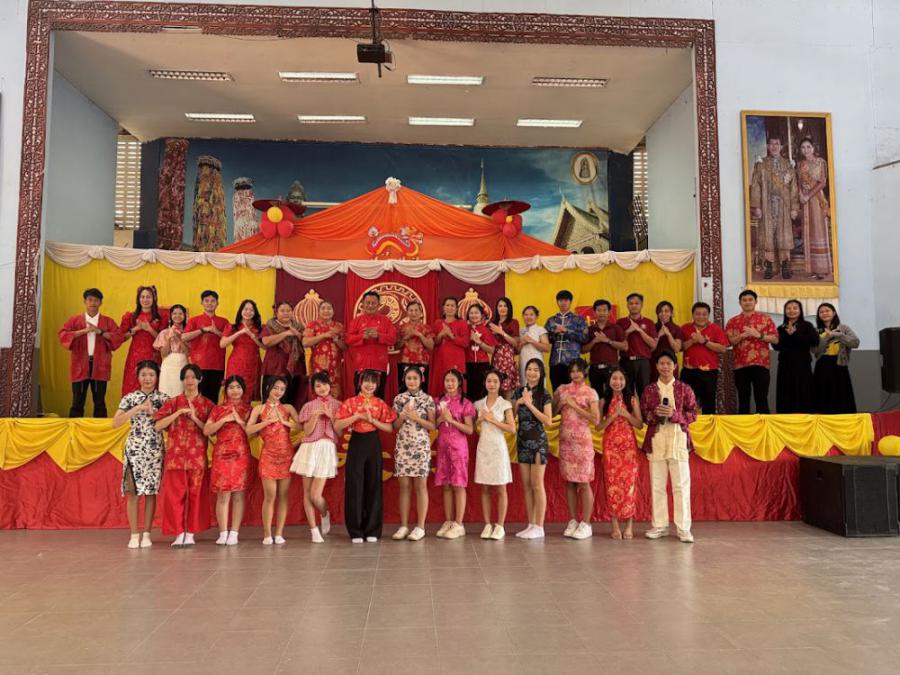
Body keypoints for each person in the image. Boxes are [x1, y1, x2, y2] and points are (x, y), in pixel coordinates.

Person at [641, 351, 698, 543]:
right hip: (657, 440)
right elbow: (644, 415)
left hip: (678, 440)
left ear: (675, 366)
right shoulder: (649, 390)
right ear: (656, 366)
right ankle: (660, 525)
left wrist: (674, 415)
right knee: (657, 485)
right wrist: (655, 415)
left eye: (668, 363)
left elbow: (693, 414)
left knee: (681, 486)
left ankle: (684, 528)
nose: (665, 366)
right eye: (661, 363)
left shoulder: (684, 389)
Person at [154, 364, 214, 547]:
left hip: (197, 458)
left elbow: (210, 432)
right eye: (186, 377)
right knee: (175, 496)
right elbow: (158, 425)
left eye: (193, 377)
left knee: (196, 496)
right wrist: (178, 413)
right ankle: (179, 532)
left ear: (200, 379)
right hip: (175, 458)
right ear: (182, 380)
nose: (190, 381)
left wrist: (195, 417)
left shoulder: (208, 404)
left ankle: (190, 532)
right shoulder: (173, 402)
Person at [334, 370, 397, 543]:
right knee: (355, 485)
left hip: (373, 442)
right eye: (366, 381)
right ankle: (355, 530)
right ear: (359, 383)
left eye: (373, 382)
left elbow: (390, 427)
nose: (370, 385)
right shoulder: (350, 402)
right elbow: (337, 424)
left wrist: (372, 421)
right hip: (357, 442)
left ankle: (372, 530)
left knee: (374, 484)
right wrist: (357, 416)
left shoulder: (380, 403)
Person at [112, 360, 169, 548]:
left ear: (157, 377)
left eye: (151, 375)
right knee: (133, 492)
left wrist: (154, 413)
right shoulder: (130, 398)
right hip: (134, 449)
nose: (147, 379)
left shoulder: (163, 399)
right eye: (143, 375)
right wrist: (137, 408)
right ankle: (134, 534)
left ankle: (147, 534)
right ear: (138, 377)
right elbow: (115, 422)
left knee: (151, 492)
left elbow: (169, 425)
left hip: (154, 450)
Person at [246, 376, 299, 545]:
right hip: (268, 455)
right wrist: (266, 422)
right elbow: (248, 430)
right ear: (268, 388)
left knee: (283, 496)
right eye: (275, 388)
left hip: (286, 455)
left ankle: (279, 533)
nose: (278, 392)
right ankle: (267, 534)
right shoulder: (259, 408)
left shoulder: (288, 408)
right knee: (270, 495)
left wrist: (286, 422)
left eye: (282, 389)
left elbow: (301, 426)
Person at [291, 372, 343, 543]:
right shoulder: (309, 406)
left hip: (326, 448)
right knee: (307, 493)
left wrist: (331, 416)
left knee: (315, 495)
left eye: (324, 384)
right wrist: (315, 416)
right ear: (313, 389)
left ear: (330, 385)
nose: (322, 388)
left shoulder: (338, 405)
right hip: (309, 448)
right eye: (318, 385)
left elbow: (339, 433)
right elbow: (306, 432)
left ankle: (324, 513)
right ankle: (314, 530)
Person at [554, 358, 600, 540]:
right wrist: (560, 404)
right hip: (566, 442)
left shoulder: (591, 392)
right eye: (572, 371)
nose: (575, 374)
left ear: (585, 372)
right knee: (570, 482)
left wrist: (574, 406)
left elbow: (595, 419)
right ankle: (573, 520)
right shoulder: (561, 389)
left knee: (584, 482)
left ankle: (586, 523)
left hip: (582, 443)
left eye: (578, 370)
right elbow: (554, 412)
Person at [58, 287, 122, 417]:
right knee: (77, 401)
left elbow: (118, 337)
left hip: (100, 365)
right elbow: (62, 334)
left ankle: (100, 428)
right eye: (90, 300)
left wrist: (100, 332)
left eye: (96, 300)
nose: (93, 303)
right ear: (85, 301)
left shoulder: (108, 321)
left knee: (99, 402)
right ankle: (74, 428)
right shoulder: (75, 320)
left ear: (101, 302)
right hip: (80, 364)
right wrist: (84, 331)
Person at [204, 375, 252, 547]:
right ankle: (223, 532)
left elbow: (253, 433)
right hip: (222, 454)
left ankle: (234, 532)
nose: (235, 390)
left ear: (243, 390)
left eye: (238, 387)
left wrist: (240, 421)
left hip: (240, 454)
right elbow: (207, 430)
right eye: (231, 387)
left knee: (238, 494)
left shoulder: (248, 409)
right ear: (226, 390)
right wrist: (224, 420)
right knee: (223, 494)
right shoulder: (218, 409)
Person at [391, 366, 436, 541]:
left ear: (421, 380)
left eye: (415, 378)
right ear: (404, 379)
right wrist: (402, 416)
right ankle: (403, 526)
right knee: (404, 487)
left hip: (421, 446)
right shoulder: (398, 399)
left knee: (420, 486)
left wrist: (417, 418)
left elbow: (432, 426)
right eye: (409, 378)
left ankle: (420, 527)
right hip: (403, 445)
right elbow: (394, 426)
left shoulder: (427, 399)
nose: (412, 381)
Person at [597, 367, 642, 540]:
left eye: (621, 379)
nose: (617, 382)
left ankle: (629, 526)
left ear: (625, 381)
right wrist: (613, 416)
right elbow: (598, 427)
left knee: (629, 485)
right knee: (612, 486)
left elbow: (639, 424)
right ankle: (615, 526)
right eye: (614, 378)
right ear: (609, 381)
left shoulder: (632, 400)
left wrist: (625, 415)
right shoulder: (603, 401)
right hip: (611, 448)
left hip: (628, 449)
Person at [750, 134, 800, 280]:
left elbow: (794, 188)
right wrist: (757, 206)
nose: (774, 146)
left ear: (781, 146)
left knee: (784, 235)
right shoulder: (761, 165)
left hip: (784, 205)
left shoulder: (788, 165)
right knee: (768, 235)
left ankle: (785, 265)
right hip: (767, 205)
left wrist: (794, 208)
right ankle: (769, 266)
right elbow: (756, 186)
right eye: (771, 144)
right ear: (767, 146)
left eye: (777, 143)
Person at [514, 358, 553, 540]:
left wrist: (529, 404)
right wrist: (518, 402)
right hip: (522, 441)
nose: (531, 373)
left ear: (541, 373)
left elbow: (548, 420)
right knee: (527, 486)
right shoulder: (519, 391)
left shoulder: (544, 394)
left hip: (538, 442)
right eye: (529, 369)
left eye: (536, 370)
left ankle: (539, 525)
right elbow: (511, 415)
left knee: (537, 484)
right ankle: (530, 524)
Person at [434, 369, 476, 540]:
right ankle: (448, 521)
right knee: (446, 484)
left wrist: (451, 420)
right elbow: (434, 425)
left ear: (459, 383)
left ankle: (459, 524)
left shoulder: (465, 403)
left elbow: (469, 429)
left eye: (453, 380)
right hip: (443, 447)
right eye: (447, 380)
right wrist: (441, 418)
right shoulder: (438, 402)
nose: (449, 384)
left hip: (459, 448)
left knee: (458, 485)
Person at [474, 369, 515, 541]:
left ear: (500, 384)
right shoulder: (478, 404)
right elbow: (473, 427)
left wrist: (493, 420)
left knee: (500, 487)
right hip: (484, 447)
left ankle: (500, 525)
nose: (492, 384)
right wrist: (479, 420)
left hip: (498, 448)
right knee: (485, 487)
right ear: (485, 383)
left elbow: (512, 428)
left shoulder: (505, 404)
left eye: (495, 381)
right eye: (489, 381)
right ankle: (487, 524)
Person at [726, 290, 779, 414]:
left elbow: (775, 339)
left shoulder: (765, 319)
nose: (747, 302)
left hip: (761, 364)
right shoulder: (733, 321)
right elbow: (728, 342)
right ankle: (744, 425)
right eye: (744, 300)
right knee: (743, 398)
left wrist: (759, 335)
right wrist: (742, 336)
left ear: (756, 302)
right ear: (740, 303)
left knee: (761, 398)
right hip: (740, 365)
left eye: (750, 300)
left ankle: (764, 425)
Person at [680, 302, 728, 414]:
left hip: (709, 372)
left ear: (708, 315)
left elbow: (723, 349)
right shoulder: (685, 328)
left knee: (709, 404)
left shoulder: (716, 329)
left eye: (704, 314)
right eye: (698, 314)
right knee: (686, 403)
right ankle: (688, 424)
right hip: (689, 371)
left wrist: (704, 341)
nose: (701, 317)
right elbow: (680, 347)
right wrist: (692, 341)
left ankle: (708, 424)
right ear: (693, 315)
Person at [346, 291, 396, 400]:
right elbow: (348, 338)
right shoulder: (356, 321)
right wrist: (362, 337)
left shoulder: (386, 321)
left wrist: (379, 335)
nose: (370, 305)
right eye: (367, 303)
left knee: (378, 397)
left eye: (373, 303)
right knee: (360, 397)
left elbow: (393, 339)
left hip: (379, 365)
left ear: (378, 305)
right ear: (363, 304)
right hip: (361, 364)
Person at [182, 290, 229, 403]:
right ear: (202, 303)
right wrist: (203, 330)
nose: (210, 303)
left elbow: (228, 340)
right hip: (199, 364)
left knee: (213, 397)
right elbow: (184, 337)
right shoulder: (194, 320)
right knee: (197, 396)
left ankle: (212, 415)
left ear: (217, 303)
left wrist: (216, 332)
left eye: (213, 301)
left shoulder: (223, 321)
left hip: (217, 364)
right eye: (206, 301)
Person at [773, 299, 818, 414]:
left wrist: (795, 334)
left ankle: (805, 416)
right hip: (785, 364)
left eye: (795, 308)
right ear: (785, 311)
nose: (791, 310)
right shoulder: (781, 328)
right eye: (788, 308)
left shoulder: (807, 326)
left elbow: (814, 341)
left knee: (804, 390)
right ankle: (785, 418)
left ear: (800, 310)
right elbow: (777, 347)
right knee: (785, 392)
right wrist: (774, 339)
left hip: (802, 364)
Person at [813, 302, 859, 414]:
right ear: (819, 315)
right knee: (822, 395)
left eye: (827, 311)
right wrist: (826, 337)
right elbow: (815, 351)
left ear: (833, 313)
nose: (824, 313)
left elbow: (855, 343)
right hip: (822, 365)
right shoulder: (816, 330)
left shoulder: (844, 328)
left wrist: (837, 335)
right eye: (821, 312)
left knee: (841, 395)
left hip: (839, 364)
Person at [119, 285, 166, 395]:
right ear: (138, 299)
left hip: (154, 355)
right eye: (142, 297)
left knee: (153, 383)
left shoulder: (161, 316)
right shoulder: (131, 316)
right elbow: (122, 338)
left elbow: (163, 340)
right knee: (133, 383)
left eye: (148, 297)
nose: (145, 300)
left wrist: (150, 329)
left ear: (154, 298)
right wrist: (135, 329)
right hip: (135, 356)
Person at [797, 137, 832, 280]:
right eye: (803, 147)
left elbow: (822, 183)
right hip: (805, 201)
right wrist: (801, 195)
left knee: (818, 230)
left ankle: (822, 269)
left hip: (817, 200)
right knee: (808, 232)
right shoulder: (800, 164)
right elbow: (799, 182)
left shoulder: (820, 162)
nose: (806, 150)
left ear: (813, 148)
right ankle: (812, 268)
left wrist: (808, 196)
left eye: (808, 147)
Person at [261, 301, 307, 408]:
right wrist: (285, 333)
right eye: (282, 311)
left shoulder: (299, 327)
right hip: (275, 369)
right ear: (276, 313)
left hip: (296, 369)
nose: (286, 313)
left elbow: (306, 342)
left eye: (288, 310)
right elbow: (266, 342)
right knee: (272, 402)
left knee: (293, 402)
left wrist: (296, 333)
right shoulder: (270, 326)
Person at [220, 299, 264, 404]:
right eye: (246, 309)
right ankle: (230, 412)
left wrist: (251, 335)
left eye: (251, 310)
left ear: (255, 313)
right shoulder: (232, 327)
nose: (248, 312)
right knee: (234, 388)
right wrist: (239, 333)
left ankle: (246, 412)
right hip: (236, 363)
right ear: (241, 311)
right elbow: (222, 344)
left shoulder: (260, 328)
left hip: (253, 364)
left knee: (248, 392)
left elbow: (264, 346)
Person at [616, 292, 658, 399]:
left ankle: (644, 411)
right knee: (627, 393)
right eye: (631, 303)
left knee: (644, 394)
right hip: (625, 362)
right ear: (627, 305)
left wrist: (639, 330)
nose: (634, 306)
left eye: (636, 303)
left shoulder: (649, 322)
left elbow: (653, 345)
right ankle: (629, 410)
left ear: (642, 305)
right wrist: (627, 332)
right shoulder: (620, 322)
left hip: (643, 363)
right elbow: (617, 343)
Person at [583, 299, 626, 400]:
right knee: (596, 397)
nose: (602, 313)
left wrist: (607, 340)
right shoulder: (590, 329)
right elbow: (583, 350)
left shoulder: (616, 328)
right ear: (594, 312)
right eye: (599, 310)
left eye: (604, 310)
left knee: (612, 397)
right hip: (594, 368)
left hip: (612, 368)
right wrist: (594, 341)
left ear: (609, 312)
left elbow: (625, 346)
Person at [545, 290, 588, 391]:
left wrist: (567, 331)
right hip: (555, 362)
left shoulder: (578, 320)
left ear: (570, 302)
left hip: (573, 365)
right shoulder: (551, 320)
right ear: (557, 302)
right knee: (557, 393)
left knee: (573, 393)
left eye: (566, 300)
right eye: (560, 300)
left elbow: (585, 338)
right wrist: (555, 333)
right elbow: (545, 340)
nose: (563, 303)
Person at [304, 300, 346, 399]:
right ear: (319, 311)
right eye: (323, 308)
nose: (326, 311)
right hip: (318, 366)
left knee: (335, 395)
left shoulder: (339, 326)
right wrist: (323, 335)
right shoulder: (313, 325)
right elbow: (305, 342)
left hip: (335, 368)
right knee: (318, 393)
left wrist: (336, 339)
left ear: (333, 311)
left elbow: (345, 347)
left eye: (329, 308)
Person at [430, 296, 469, 395]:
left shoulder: (462, 323)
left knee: (454, 382)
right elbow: (434, 343)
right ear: (443, 307)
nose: (450, 308)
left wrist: (451, 336)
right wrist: (441, 334)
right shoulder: (438, 323)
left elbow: (465, 343)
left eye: (452, 306)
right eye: (447, 305)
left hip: (456, 359)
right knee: (440, 383)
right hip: (440, 359)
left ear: (456, 308)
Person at [396, 301, 434, 394]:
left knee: (421, 390)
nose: (414, 313)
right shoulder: (401, 328)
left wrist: (420, 335)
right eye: (411, 310)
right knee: (404, 390)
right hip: (405, 362)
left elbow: (431, 346)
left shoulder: (426, 328)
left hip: (422, 363)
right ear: (407, 312)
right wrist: (406, 337)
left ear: (420, 312)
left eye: (416, 310)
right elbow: (396, 346)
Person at [153, 303, 189, 398]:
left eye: (180, 313)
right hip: (168, 365)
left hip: (183, 364)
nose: (177, 316)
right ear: (170, 316)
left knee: (181, 391)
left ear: (185, 316)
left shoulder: (188, 333)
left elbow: (188, 353)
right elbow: (164, 354)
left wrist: (178, 338)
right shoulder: (164, 332)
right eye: (174, 313)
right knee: (167, 391)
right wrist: (169, 338)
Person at [487, 297, 520, 398]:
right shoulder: (492, 323)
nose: (502, 308)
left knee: (507, 388)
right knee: (495, 388)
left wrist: (501, 332)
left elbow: (515, 343)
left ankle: (509, 408)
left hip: (507, 357)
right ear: (496, 308)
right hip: (496, 356)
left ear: (509, 308)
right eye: (500, 306)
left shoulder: (513, 322)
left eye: (505, 306)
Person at [465, 304, 497, 402]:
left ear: (482, 315)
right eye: (471, 313)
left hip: (482, 365)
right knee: (469, 392)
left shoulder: (485, 330)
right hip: (468, 364)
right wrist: (468, 339)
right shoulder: (465, 329)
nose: (473, 315)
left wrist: (479, 342)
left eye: (476, 313)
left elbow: (492, 350)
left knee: (481, 392)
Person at [518, 305, 550, 385]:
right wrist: (522, 344)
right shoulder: (521, 331)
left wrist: (532, 341)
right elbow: (517, 351)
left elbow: (547, 348)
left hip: (536, 362)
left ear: (537, 316)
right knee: (524, 385)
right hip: (523, 362)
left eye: (531, 314)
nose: (528, 317)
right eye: (526, 315)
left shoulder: (540, 329)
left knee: (537, 386)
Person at [651, 301, 683, 381]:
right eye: (660, 311)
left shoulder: (677, 328)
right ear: (657, 313)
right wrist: (658, 335)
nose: (663, 314)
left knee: (672, 387)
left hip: (670, 363)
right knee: (655, 386)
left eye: (666, 311)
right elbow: (650, 349)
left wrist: (668, 334)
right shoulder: (652, 327)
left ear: (671, 313)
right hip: (655, 363)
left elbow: (677, 349)